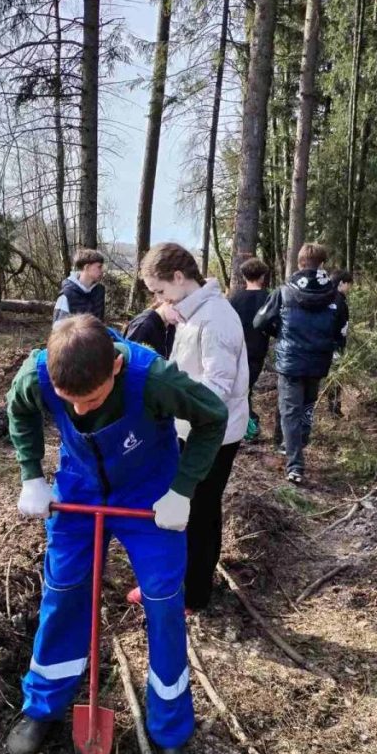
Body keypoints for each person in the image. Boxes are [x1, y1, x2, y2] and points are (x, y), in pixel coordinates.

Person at [5, 314, 228, 754]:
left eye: (93, 399)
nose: (81, 411)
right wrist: (31, 474)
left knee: (165, 604)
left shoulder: (152, 377)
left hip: (150, 496)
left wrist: (183, 489)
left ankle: (169, 730)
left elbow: (214, 418)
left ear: (117, 370)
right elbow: (18, 408)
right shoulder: (39, 371)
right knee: (62, 591)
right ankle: (43, 706)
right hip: (80, 490)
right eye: (70, 403)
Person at [138, 242, 249, 612]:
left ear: (180, 278)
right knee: (184, 507)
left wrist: (176, 408)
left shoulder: (216, 320)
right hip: (189, 428)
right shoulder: (194, 312)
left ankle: (193, 593)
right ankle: (174, 583)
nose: (158, 299)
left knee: (200, 511)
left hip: (213, 434)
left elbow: (217, 388)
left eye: (160, 290)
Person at [254, 242, 347, 484]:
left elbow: (259, 322)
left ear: (299, 263)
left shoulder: (284, 292)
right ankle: (298, 443)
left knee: (290, 411)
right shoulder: (335, 297)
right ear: (322, 265)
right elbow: (339, 330)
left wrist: (281, 334)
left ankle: (294, 463)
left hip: (291, 362)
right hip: (318, 361)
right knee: (306, 406)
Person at [229, 258, 270, 441]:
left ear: (244, 276)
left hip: (236, 350)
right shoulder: (269, 298)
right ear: (262, 276)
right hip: (257, 351)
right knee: (244, 390)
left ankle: (248, 426)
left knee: (242, 389)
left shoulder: (235, 299)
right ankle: (249, 425)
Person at [327, 269, 354, 417]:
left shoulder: (334, 298)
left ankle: (334, 407)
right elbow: (334, 325)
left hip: (335, 344)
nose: (349, 288)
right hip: (334, 346)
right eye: (348, 284)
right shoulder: (336, 301)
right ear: (341, 283)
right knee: (335, 377)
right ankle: (334, 408)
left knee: (335, 377)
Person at [53, 248, 106, 324]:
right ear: (87, 267)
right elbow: (57, 329)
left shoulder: (99, 291)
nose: (102, 270)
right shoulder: (66, 295)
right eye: (99, 267)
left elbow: (100, 322)